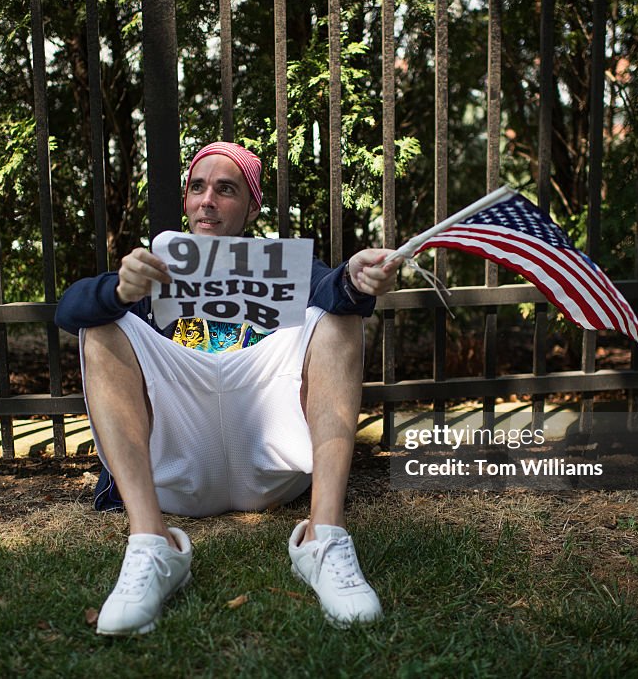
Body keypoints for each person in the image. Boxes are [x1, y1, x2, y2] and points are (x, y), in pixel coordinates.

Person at [55, 142, 402, 635]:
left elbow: (335, 291)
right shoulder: (155, 267)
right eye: (198, 188)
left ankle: (324, 538)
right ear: (185, 201)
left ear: (251, 206)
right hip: (177, 466)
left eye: (225, 189)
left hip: (268, 463)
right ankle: (151, 545)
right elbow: (68, 311)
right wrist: (117, 291)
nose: (208, 201)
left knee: (339, 318)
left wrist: (355, 277)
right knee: (100, 324)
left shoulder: (284, 266)